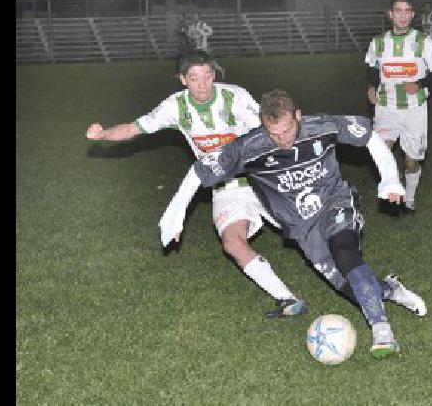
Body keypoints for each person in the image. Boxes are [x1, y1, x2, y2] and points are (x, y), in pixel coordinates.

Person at [163, 88, 429, 358]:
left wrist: (390, 180)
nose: (282, 139)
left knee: (345, 252)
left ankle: (382, 333)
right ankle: (391, 289)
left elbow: (368, 136)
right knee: (347, 287)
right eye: (273, 133)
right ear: (263, 125)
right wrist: (174, 215)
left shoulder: (321, 126)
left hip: (334, 202)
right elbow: (199, 171)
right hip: (302, 228)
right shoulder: (249, 147)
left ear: (298, 117)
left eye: (288, 129)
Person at [84, 50, 305, 318]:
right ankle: (287, 299)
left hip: (259, 178)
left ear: (214, 74)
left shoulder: (234, 96)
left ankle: (348, 271)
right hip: (224, 188)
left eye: (207, 76)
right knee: (232, 243)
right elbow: (133, 129)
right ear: (182, 79)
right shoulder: (175, 106)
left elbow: (269, 128)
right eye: (194, 78)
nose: (202, 84)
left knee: (304, 228)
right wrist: (103, 133)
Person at [365, 0, 432, 214]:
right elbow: (373, 68)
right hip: (386, 107)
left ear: (412, 15)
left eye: (407, 11)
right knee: (382, 153)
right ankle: (392, 192)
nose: (402, 15)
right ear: (390, 14)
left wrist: (420, 84)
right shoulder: (379, 42)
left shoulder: (423, 42)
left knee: (412, 161)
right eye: (398, 10)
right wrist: (372, 87)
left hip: (414, 109)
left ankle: (410, 198)